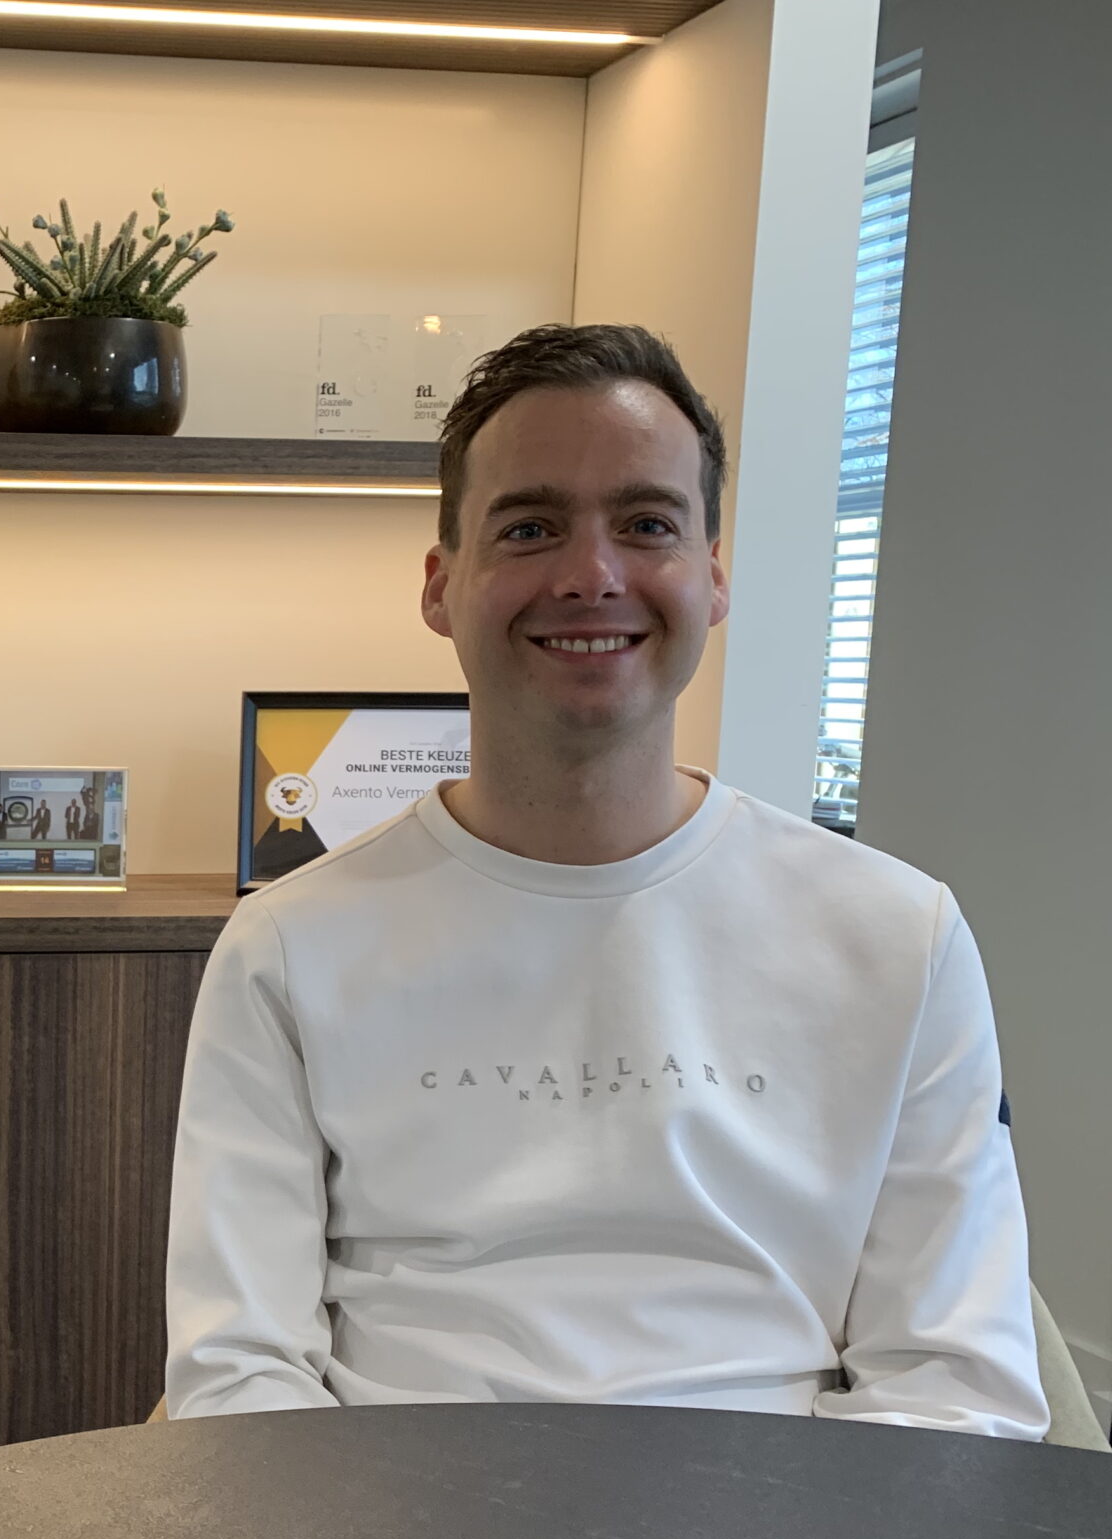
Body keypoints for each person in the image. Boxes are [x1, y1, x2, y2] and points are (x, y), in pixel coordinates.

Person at [166, 323, 1045, 1437]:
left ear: (712, 578)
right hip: (389, 1517)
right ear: (441, 586)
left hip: (788, 1521)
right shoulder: (290, 946)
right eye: (530, 527)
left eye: (646, 524)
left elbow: (953, 1383)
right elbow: (240, 1371)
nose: (591, 576)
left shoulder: (898, 936)